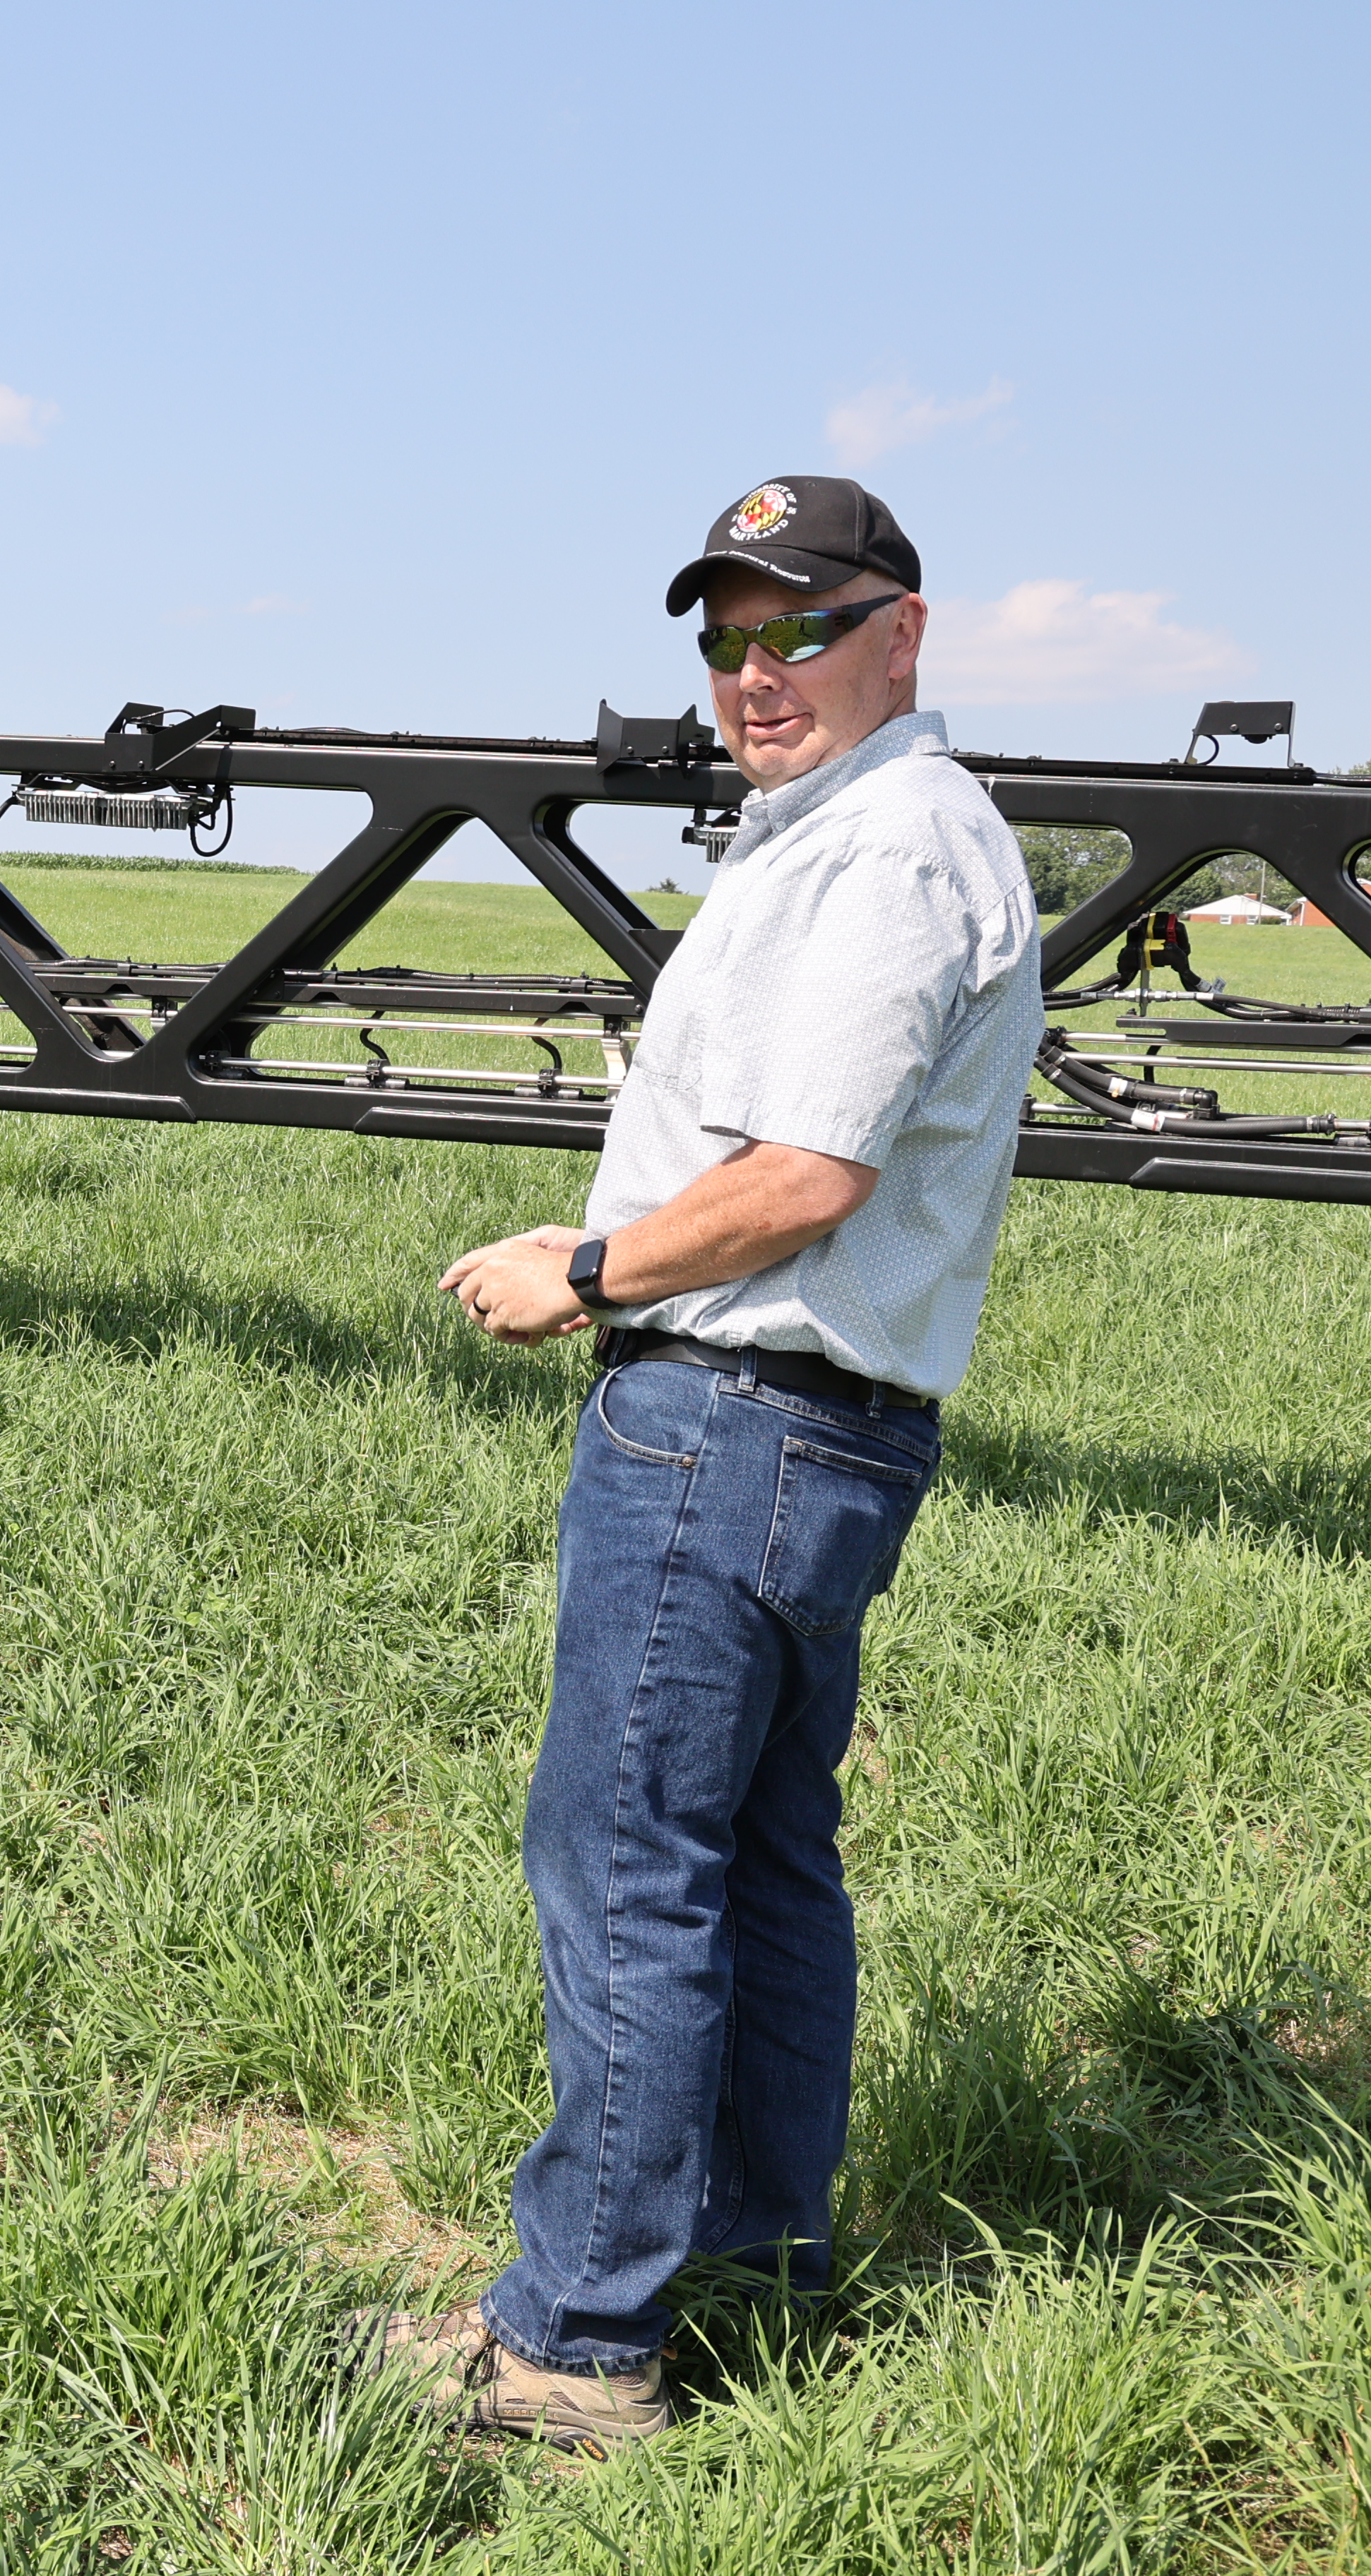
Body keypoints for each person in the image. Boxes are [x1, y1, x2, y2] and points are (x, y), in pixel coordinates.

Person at [372, 476, 1048, 2448]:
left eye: (801, 630)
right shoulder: (852, 831)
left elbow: (808, 1176)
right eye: (727, 638)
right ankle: (745, 2262)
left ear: (902, 634)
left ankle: (578, 2343)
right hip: (806, 1434)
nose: (756, 672)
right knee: (757, 1864)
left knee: (626, 1865)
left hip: (732, 1421)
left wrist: (583, 1271)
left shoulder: (894, 855)